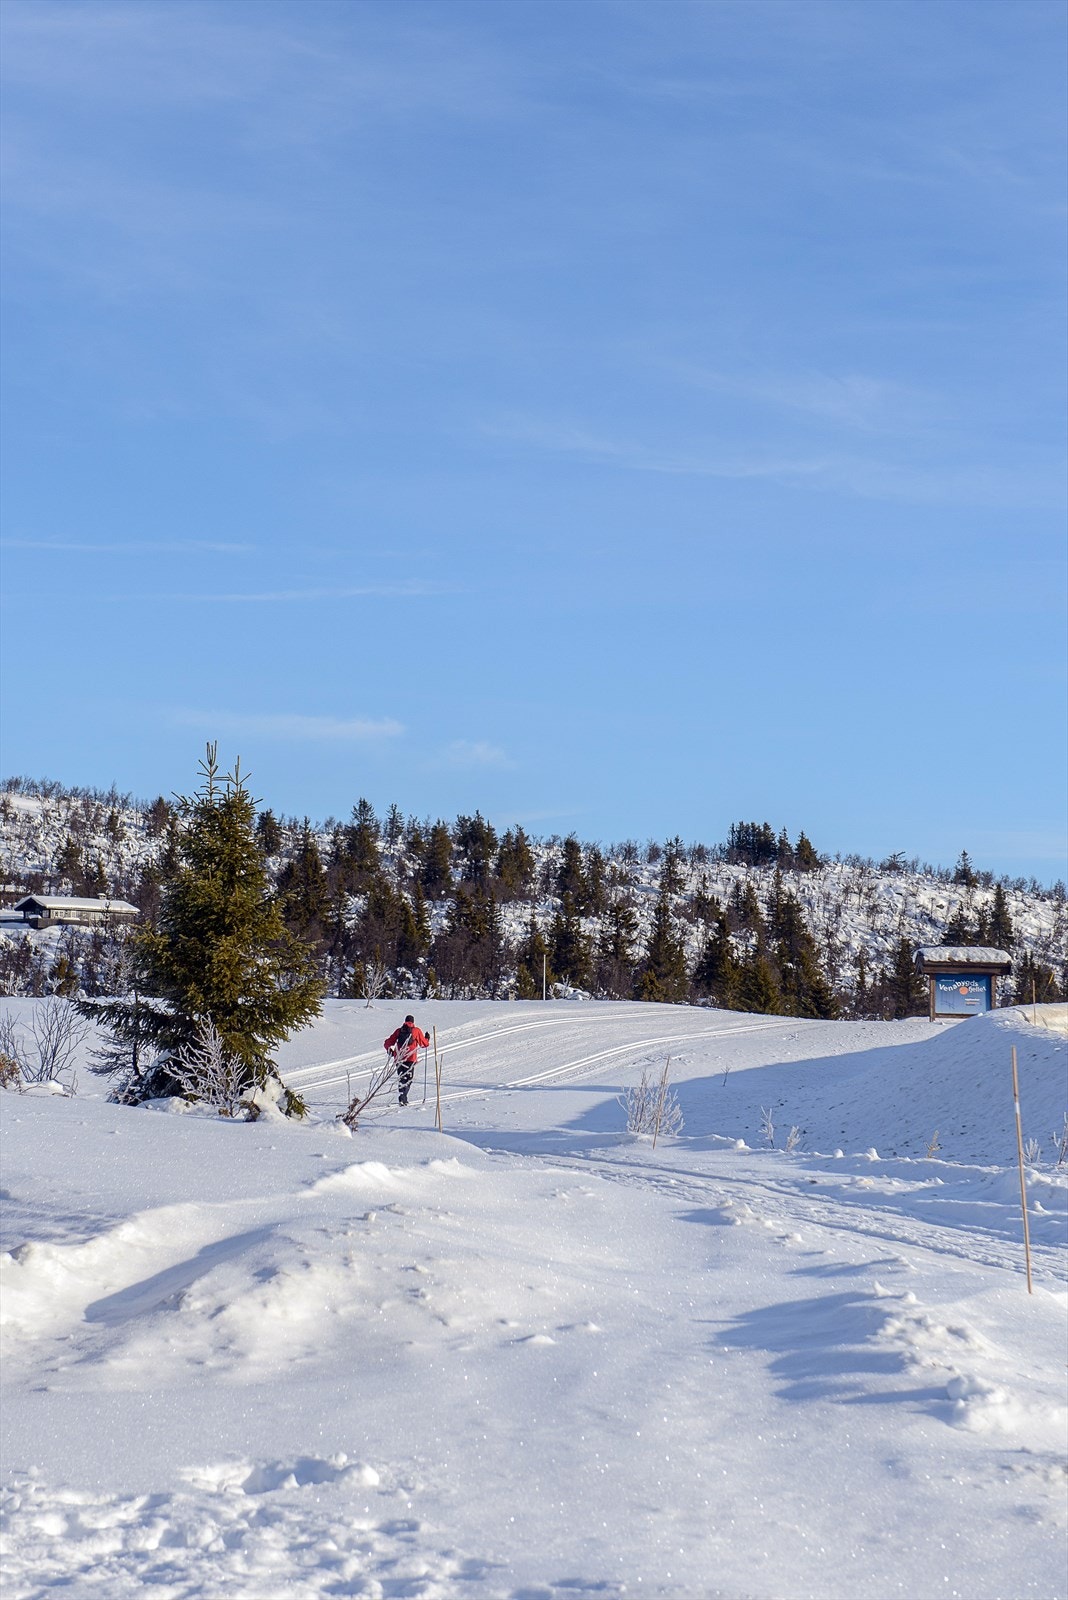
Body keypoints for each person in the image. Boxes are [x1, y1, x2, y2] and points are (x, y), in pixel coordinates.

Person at [383, 1014, 429, 1106]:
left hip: (399, 1058)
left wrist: (390, 1051)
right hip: (410, 1058)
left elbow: (387, 1043)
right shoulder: (416, 1031)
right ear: (413, 1022)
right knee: (408, 1078)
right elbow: (424, 1044)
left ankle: (402, 1097)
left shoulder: (399, 1031)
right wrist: (427, 1038)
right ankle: (403, 1098)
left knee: (401, 1078)